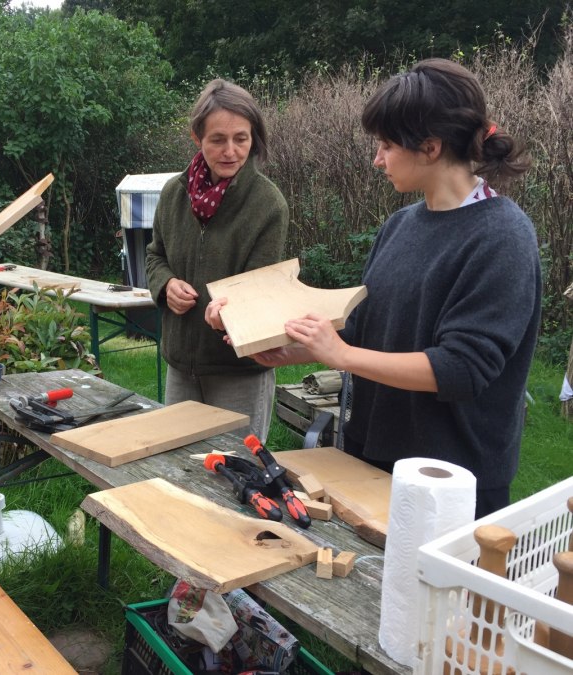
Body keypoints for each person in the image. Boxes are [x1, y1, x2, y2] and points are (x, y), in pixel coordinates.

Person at [207, 59, 541, 518]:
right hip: (374, 456)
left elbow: (462, 368)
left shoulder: (502, 236)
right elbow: (364, 329)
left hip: (451, 480)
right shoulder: (401, 225)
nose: (377, 159)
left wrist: (341, 356)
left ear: (430, 147)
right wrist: (288, 350)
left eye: (386, 145)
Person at [145, 78, 289, 443]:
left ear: (254, 138)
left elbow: (261, 291)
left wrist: (230, 312)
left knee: (234, 468)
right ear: (197, 138)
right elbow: (154, 255)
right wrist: (165, 284)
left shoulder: (268, 204)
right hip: (181, 367)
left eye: (241, 138)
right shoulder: (173, 194)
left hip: (239, 370)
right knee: (176, 466)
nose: (230, 151)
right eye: (217, 140)